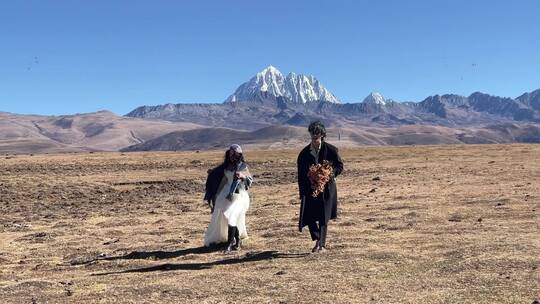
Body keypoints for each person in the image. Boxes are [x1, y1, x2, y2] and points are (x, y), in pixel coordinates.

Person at [297, 121, 343, 253]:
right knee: (309, 215)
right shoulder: (304, 154)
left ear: (322, 134)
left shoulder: (331, 150)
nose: (314, 135)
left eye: (316, 132)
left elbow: (340, 166)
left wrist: (329, 173)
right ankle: (317, 238)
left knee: (324, 216)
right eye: (312, 132)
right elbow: (300, 175)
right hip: (310, 189)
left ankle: (321, 245)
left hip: (327, 189)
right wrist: (302, 192)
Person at [204, 144, 253, 251]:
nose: (232, 156)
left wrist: (242, 176)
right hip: (225, 194)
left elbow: (249, 180)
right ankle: (235, 240)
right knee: (227, 216)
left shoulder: (242, 166)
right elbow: (221, 177)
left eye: (234, 154)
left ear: (239, 155)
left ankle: (232, 242)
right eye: (230, 154)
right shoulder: (226, 166)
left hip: (238, 194)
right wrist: (212, 173)